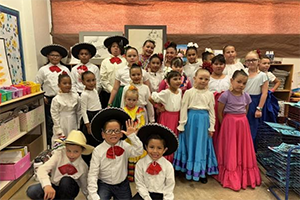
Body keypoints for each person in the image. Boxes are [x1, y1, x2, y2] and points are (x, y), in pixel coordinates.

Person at [214, 69, 261, 191]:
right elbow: (220, 112)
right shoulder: (225, 95)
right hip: (229, 124)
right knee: (231, 148)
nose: (241, 85)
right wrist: (225, 125)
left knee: (242, 148)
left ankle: (243, 176)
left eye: (244, 83)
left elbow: (245, 110)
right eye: (239, 82)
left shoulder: (246, 96)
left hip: (242, 125)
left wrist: (240, 121)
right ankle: (230, 174)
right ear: (232, 81)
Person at [88, 108, 144, 200]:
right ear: (103, 134)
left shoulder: (124, 146)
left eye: (117, 130)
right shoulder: (98, 151)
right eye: (109, 131)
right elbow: (93, 174)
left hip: (122, 184)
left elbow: (139, 151)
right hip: (104, 184)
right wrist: (93, 194)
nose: (113, 134)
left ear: (121, 134)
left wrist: (132, 136)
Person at [174, 68, 218, 183]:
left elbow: (212, 112)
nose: (203, 81)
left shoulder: (209, 94)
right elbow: (183, 108)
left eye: (206, 79)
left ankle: (201, 171)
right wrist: (182, 124)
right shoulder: (189, 93)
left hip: (204, 122)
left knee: (201, 146)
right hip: (191, 121)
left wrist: (211, 126)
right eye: (201, 78)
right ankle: (188, 169)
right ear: (194, 79)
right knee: (191, 144)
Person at [26, 130, 94, 200]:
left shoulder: (83, 166)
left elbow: (84, 185)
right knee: (32, 191)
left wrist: (89, 197)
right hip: (54, 186)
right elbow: (42, 169)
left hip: (69, 189)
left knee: (65, 181)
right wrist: (47, 185)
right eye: (68, 151)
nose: (71, 155)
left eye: (76, 151)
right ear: (65, 148)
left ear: (82, 151)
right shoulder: (59, 154)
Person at [36, 44, 70, 147]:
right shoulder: (43, 70)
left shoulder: (65, 69)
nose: (55, 57)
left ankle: (66, 142)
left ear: (61, 57)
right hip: (49, 99)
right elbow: (37, 84)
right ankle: (52, 145)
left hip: (63, 98)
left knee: (63, 121)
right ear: (48, 56)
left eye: (57, 55)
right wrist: (43, 97)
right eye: (52, 55)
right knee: (51, 123)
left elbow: (70, 84)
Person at [133, 123, 178, 200]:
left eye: (159, 148)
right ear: (146, 147)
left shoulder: (168, 166)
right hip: (144, 195)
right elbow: (140, 184)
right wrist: (147, 198)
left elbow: (169, 187)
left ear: (164, 150)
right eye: (151, 147)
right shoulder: (140, 164)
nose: (155, 151)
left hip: (161, 195)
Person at [150, 70, 182, 163]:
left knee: (175, 138)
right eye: (175, 79)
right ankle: (164, 159)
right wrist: (158, 107)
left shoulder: (179, 91)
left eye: (179, 79)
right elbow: (151, 98)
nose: (178, 81)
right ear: (168, 81)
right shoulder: (166, 93)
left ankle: (172, 160)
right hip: (167, 117)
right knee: (167, 137)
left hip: (176, 117)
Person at [122, 86, 148, 182]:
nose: (131, 102)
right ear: (125, 99)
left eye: (134, 100)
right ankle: (129, 176)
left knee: (138, 153)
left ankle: (138, 176)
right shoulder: (123, 110)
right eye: (129, 99)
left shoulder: (140, 110)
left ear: (137, 100)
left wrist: (136, 132)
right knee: (129, 155)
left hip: (137, 135)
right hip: (127, 137)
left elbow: (142, 122)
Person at [244, 51, 268, 144]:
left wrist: (259, 109)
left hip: (254, 102)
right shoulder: (243, 73)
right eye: (248, 60)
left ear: (258, 61)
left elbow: (264, 93)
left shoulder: (262, 76)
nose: (251, 62)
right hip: (241, 101)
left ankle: (250, 150)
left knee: (252, 127)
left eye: (253, 60)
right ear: (245, 62)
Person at [50, 74, 81, 145]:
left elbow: (79, 111)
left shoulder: (76, 97)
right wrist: (58, 128)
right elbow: (54, 114)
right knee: (61, 141)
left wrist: (79, 124)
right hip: (62, 122)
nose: (67, 85)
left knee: (73, 140)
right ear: (59, 85)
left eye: (69, 83)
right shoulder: (56, 99)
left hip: (73, 121)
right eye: (64, 83)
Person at [208, 54, 231, 150]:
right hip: (211, 107)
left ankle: (223, 151)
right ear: (212, 65)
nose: (218, 66)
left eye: (221, 64)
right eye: (216, 64)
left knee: (224, 129)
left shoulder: (229, 78)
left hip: (225, 108)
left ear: (224, 65)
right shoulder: (207, 78)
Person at [100, 36, 128, 108]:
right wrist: (111, 89)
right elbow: (103, 78)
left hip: (123, 93)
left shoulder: (126, 61)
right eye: (113, 46)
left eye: (118, 46)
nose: (116, 48)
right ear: (110, 48)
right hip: (108, 93)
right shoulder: (105, 62)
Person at [80, 71, 102, 165]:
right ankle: (88, 162)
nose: (92, 83)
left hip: (97, 116)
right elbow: (83, 111)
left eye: (93, 80)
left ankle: (98, 160)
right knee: (90, 141)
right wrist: (88, 125)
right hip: (89, 117)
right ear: (83, 82)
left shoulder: (95, 91)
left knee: (98, 140)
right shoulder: (84, 94)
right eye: (88, 81)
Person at [258, 56, 280, 122]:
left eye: (268, 63)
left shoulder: (269, 74)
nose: (267, 65)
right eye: (264, 63)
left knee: (265, 113)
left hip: (265, 96)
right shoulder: (256, 73)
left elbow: (278, 82)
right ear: (258, 63)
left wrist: (272, 90)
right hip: (256, 94)